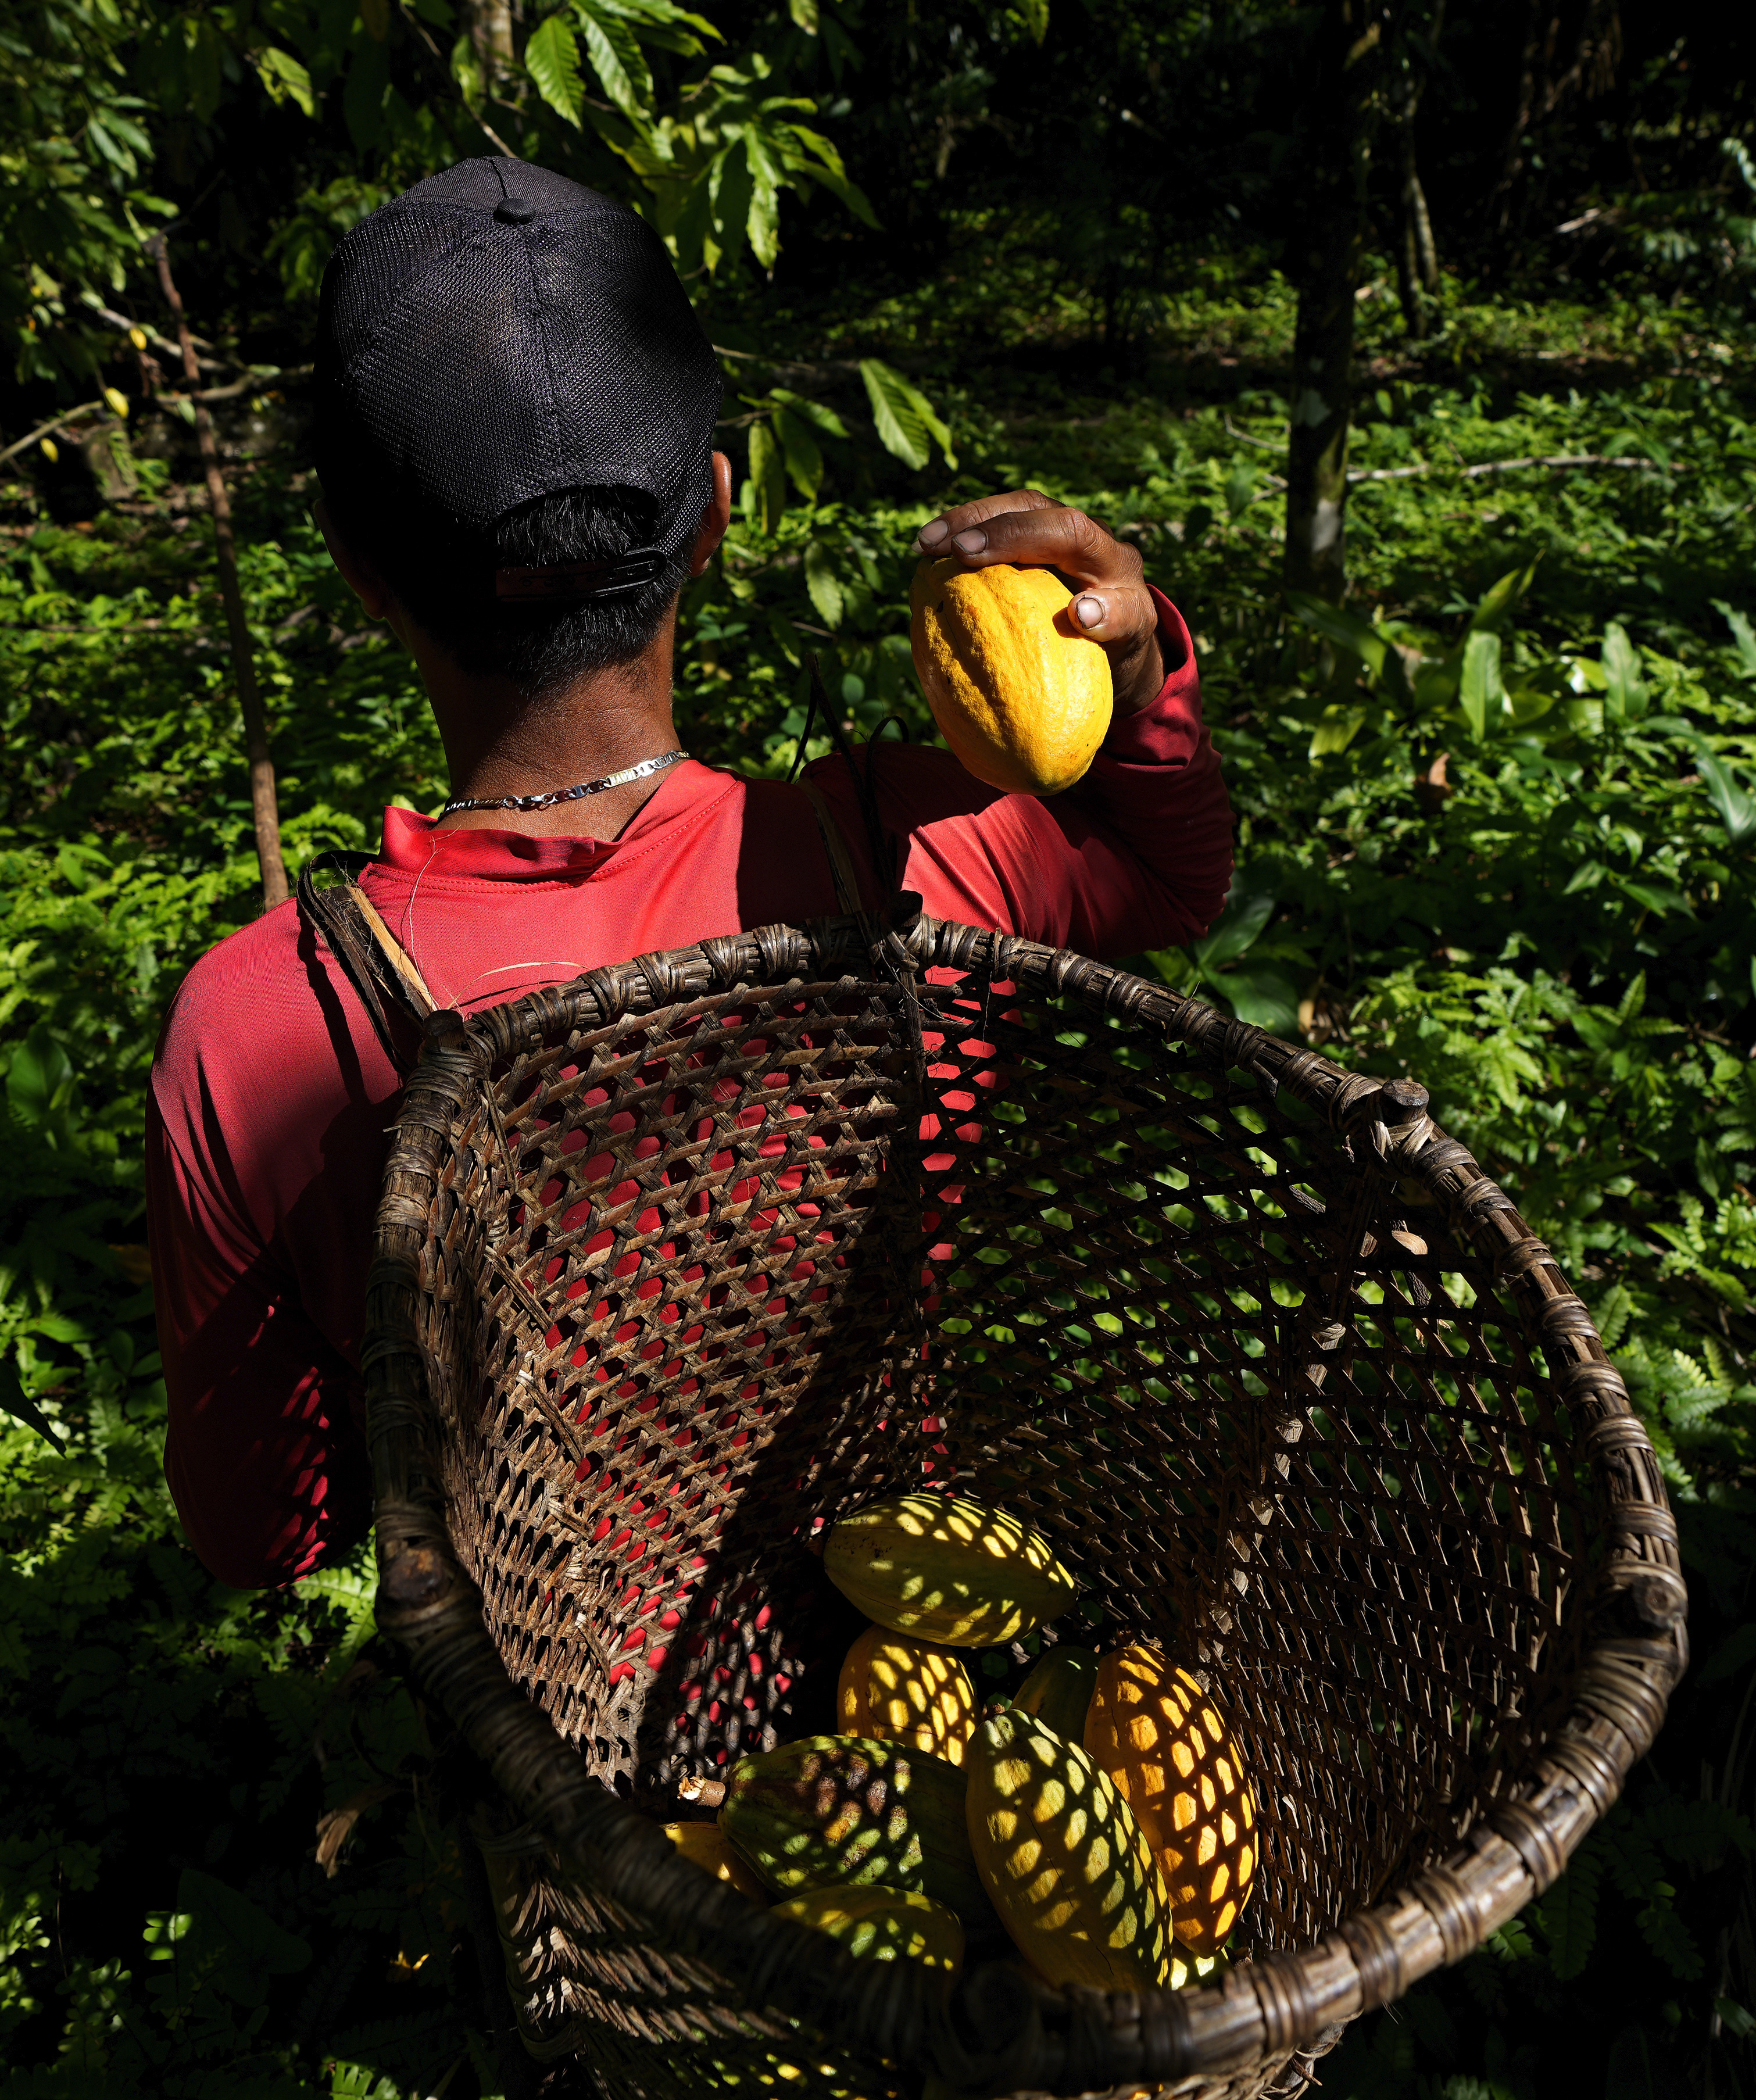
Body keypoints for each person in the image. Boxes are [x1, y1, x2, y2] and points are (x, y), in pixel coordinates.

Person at [145, 156, 1236, 1587]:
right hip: (908, 1663)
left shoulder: (263, 1034)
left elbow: (268, 1535)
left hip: (534, 1748)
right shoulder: (915, 853)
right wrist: (1137, 659)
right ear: (714, 512)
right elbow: (1169, 876)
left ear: (357, 564)